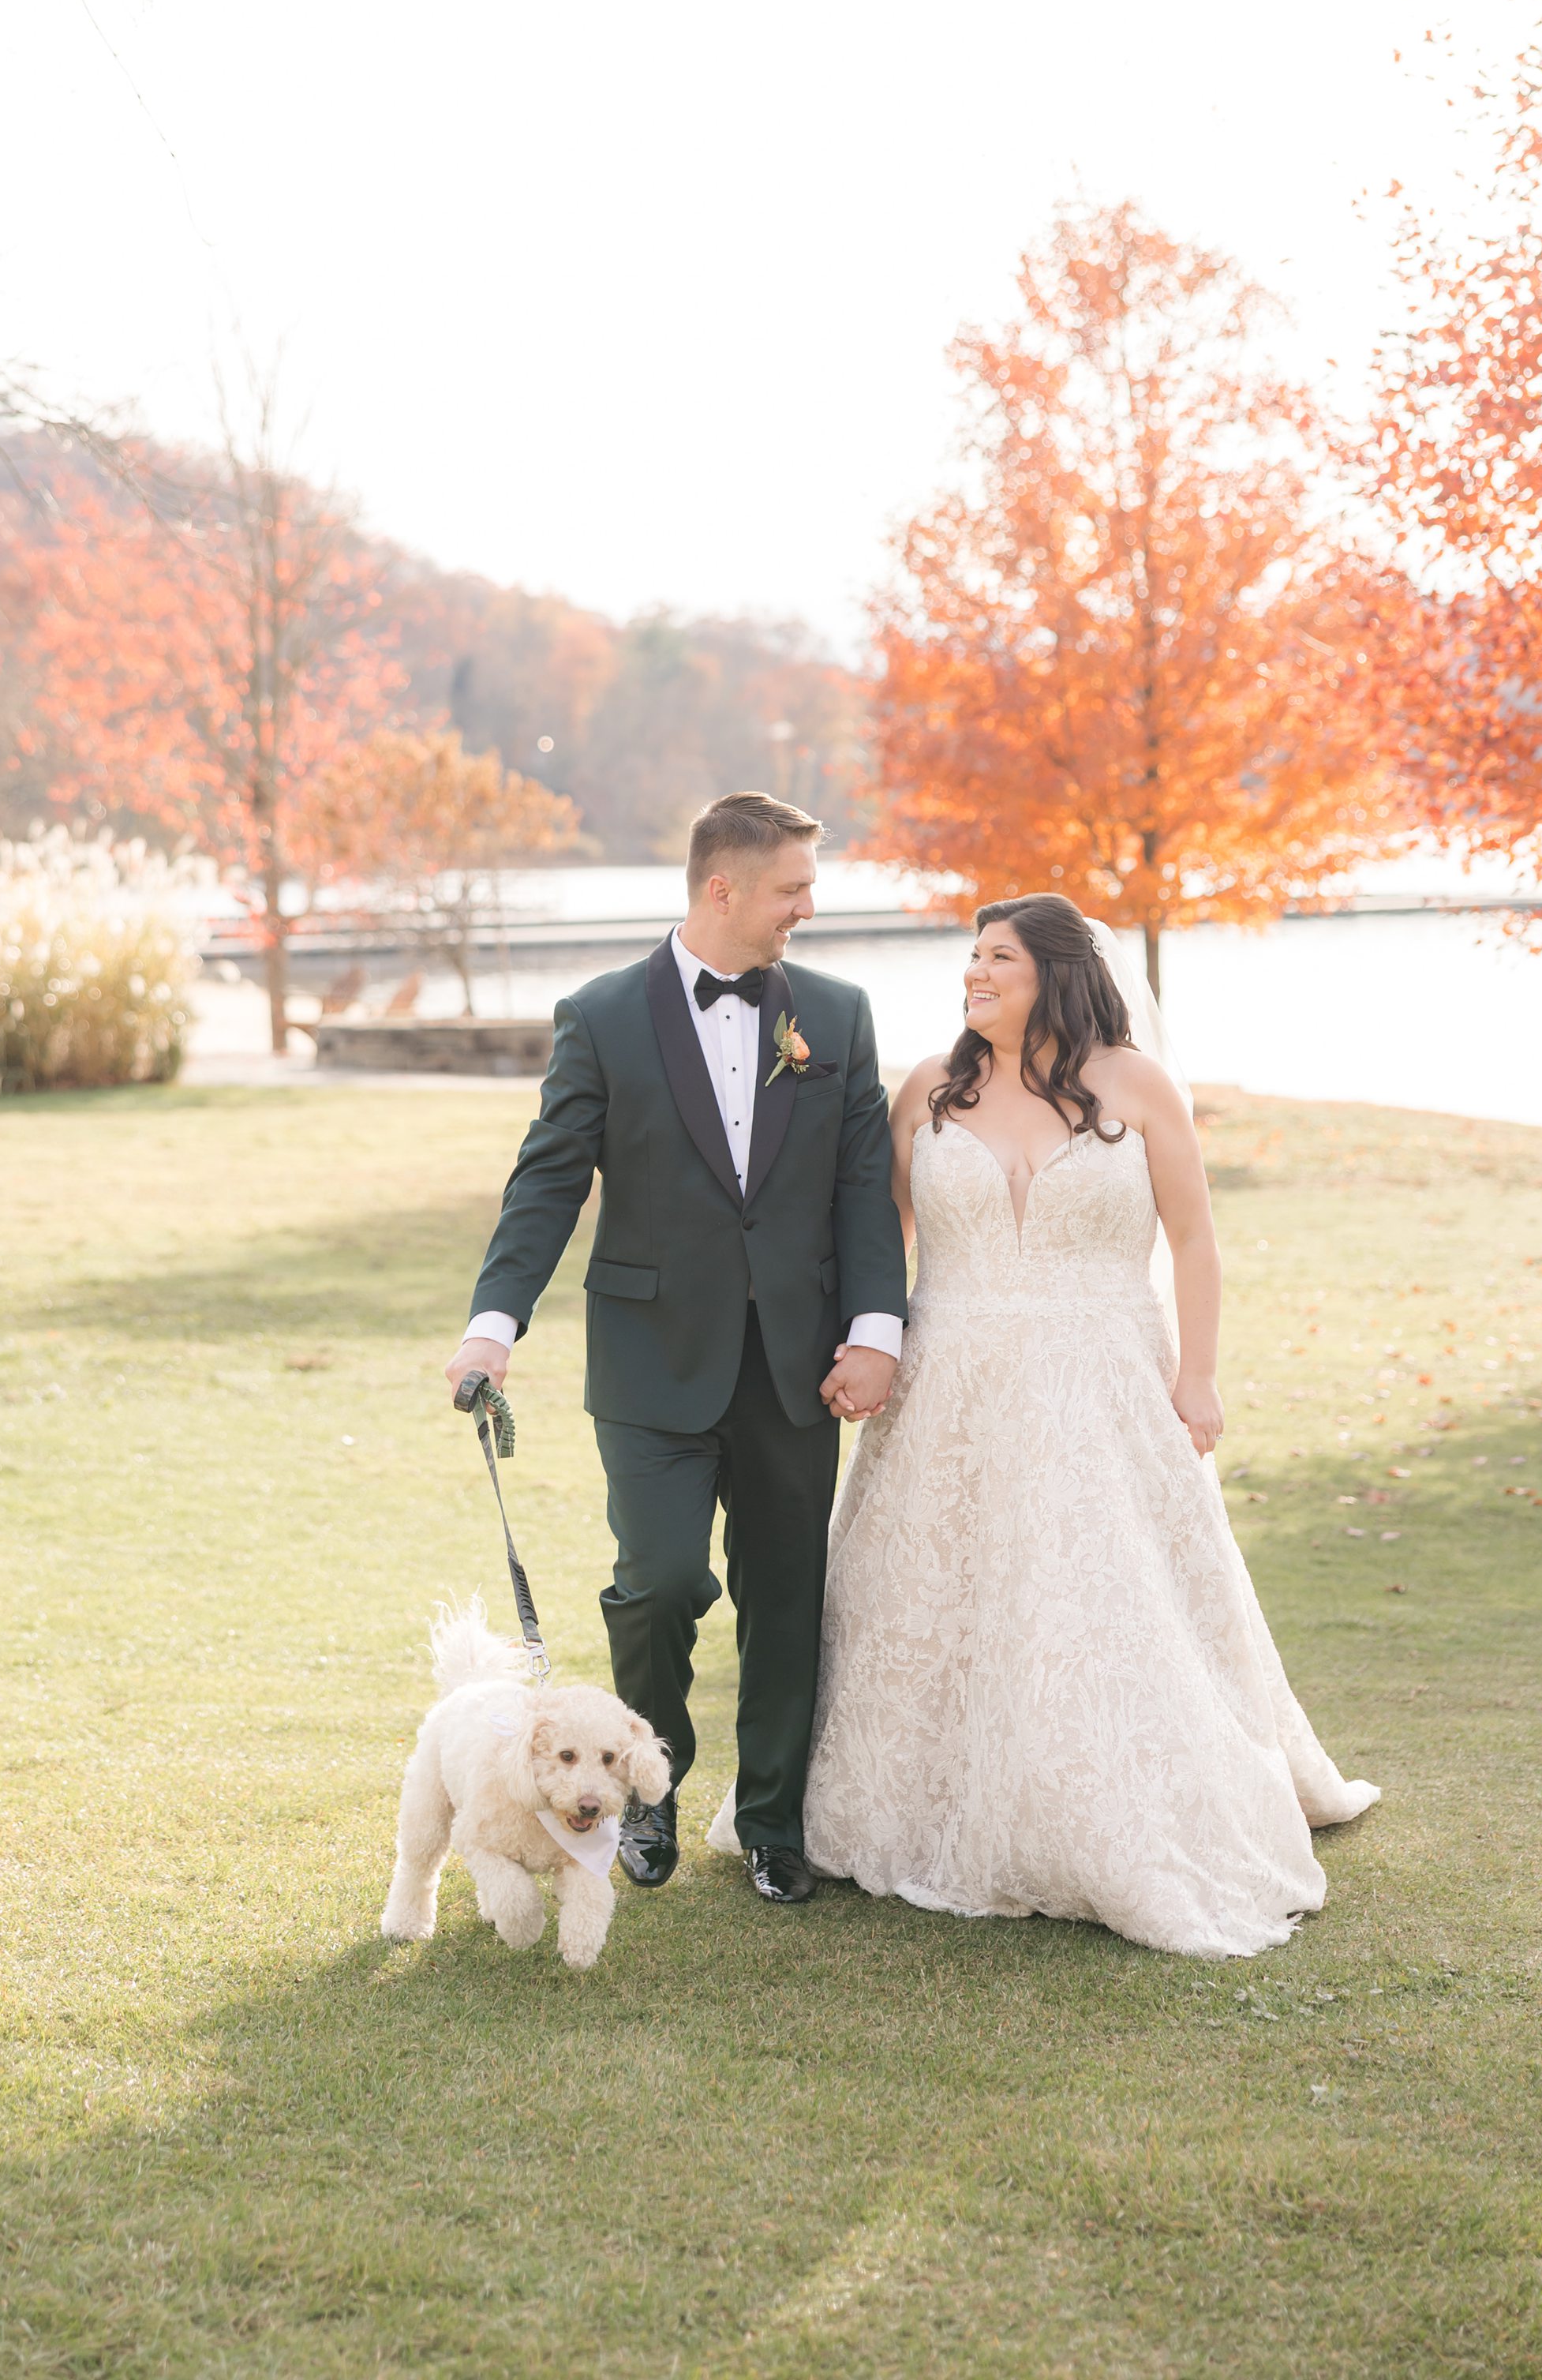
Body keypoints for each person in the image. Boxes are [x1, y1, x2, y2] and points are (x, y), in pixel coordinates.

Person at [791, 894, 1379, 1958]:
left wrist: (1198, 1376)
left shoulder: (1137, 1084)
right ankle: (919, 1803)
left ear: (1056, 972)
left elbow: (1194, 1241)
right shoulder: (930, 1086)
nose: (975, 975)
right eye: (971, 958)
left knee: (1097, 1592)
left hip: (1102, 1377)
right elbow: (878, 1234)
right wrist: (865, 1337)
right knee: (940, 1592)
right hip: (953, 1381)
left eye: (998, 959)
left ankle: (1117, 1805)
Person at [444, 792, 908, 1905]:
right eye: (793, 887)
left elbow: (861, 1191)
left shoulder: (836, 1017)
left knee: (789, 1595)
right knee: (656, 1583)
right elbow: (550, 1178)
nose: (808, 906)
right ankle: (645, 1800)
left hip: (798, 1364)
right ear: (724, 888)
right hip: (652, 1362)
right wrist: (493, 1324)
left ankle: (772, 1822)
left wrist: (876, 1332)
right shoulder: (601, 1015)